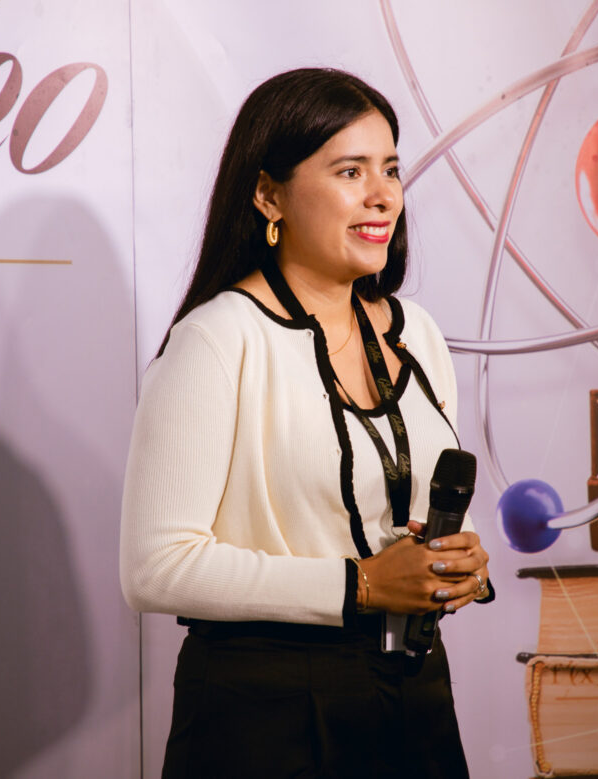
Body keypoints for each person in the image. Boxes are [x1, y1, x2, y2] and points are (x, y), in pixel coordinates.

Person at [120, 67, 492, 778]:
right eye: (350, 171)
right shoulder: (218, 339)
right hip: (266, 713)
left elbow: (411, 514)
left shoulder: (417, 333)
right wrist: (362, 586)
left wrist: (457, 565)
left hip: (415, 697)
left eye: (390, 169)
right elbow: (154, 568)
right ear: (269, 195)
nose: (383, 195)